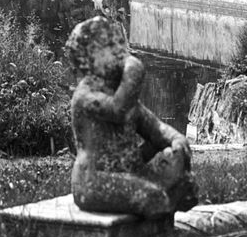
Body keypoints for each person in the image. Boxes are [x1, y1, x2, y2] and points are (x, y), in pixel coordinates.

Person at [66, 15, 198, 218]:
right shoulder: (86, 97)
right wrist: (134, 71)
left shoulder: (128, 99)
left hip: (131, 171)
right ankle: (163, 203)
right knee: (152, 197)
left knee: (185, 185)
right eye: (110, 45)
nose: (120, 51)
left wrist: (177, 140)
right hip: (95, 179)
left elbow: (156, 128)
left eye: (120, 43)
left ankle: (171, 192)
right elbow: (118, 111)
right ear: (87, 59)